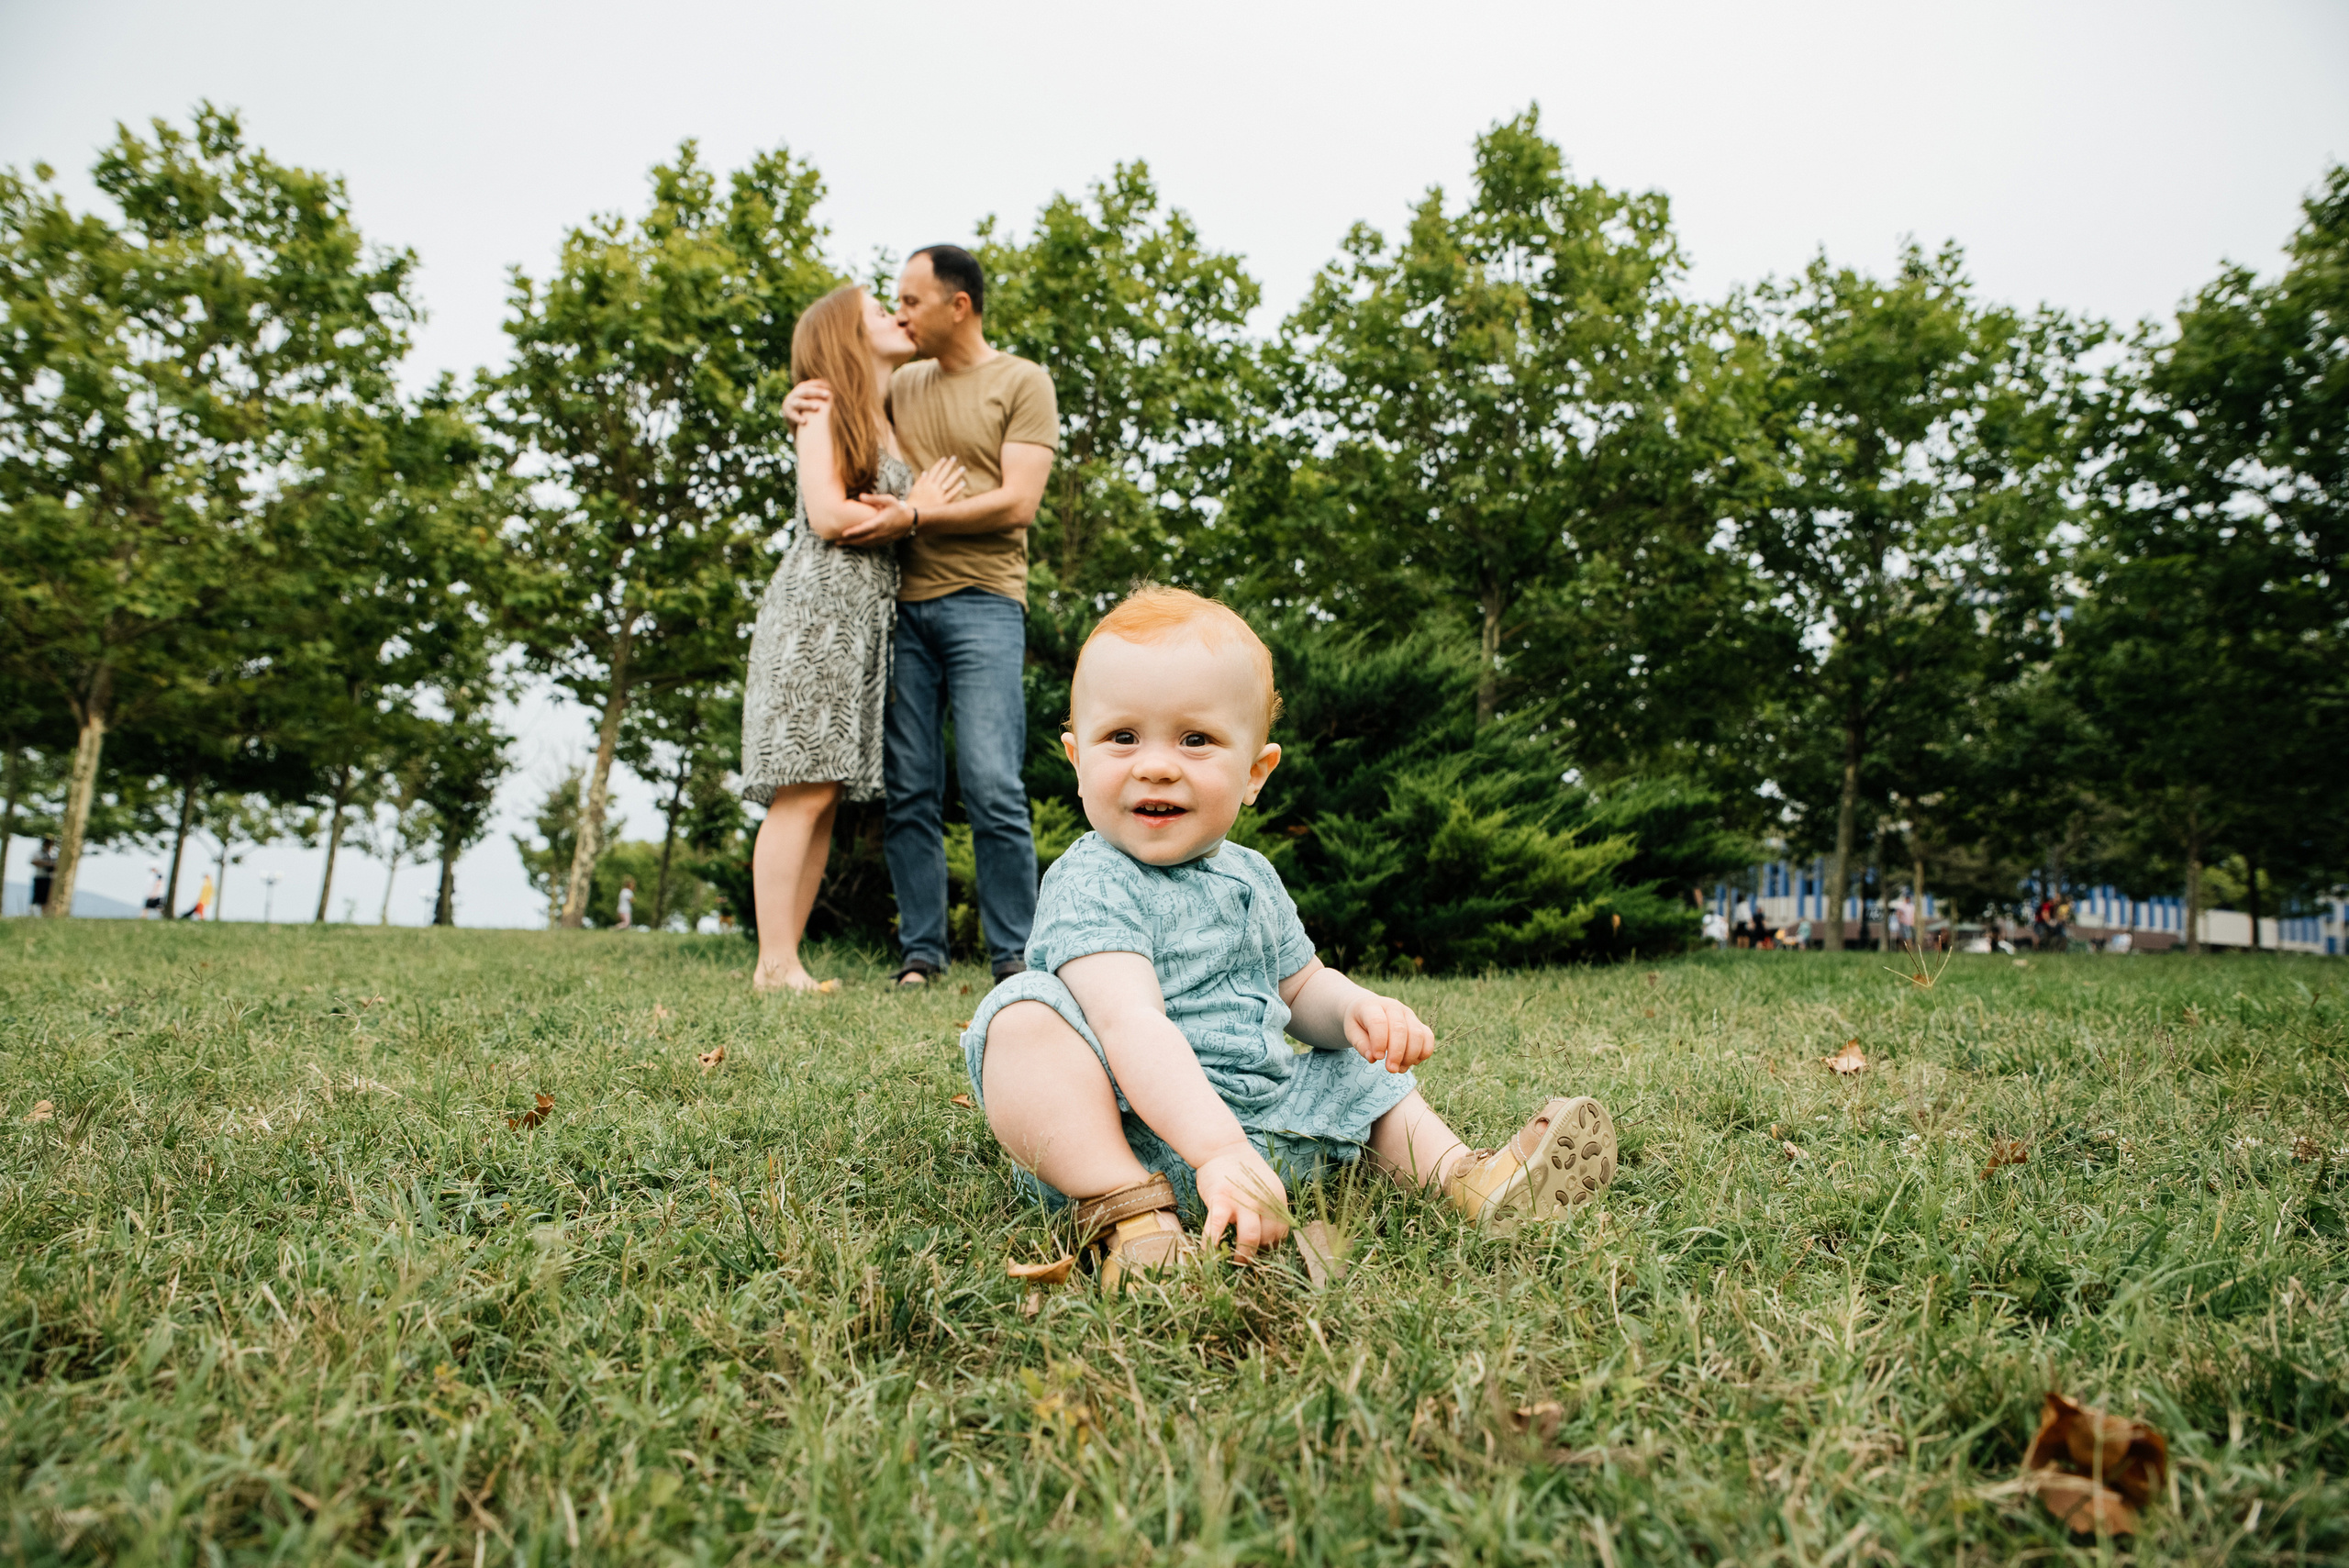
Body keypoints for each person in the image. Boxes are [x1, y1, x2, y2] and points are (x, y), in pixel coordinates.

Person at [961, 586, 1617, 1285]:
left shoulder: (1252, 876)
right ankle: (1136, 1220)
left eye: (1196, 739)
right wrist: (1215, 1150)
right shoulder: (1092, 879)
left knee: (1358, 1069)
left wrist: (1354, 1010)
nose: (1155, 763)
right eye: (1122, 737)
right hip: (1127, 1138)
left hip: (1266, 1126)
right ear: (1076, 759)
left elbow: (1300, 985)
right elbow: (1130, 1023)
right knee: (1022, 1015)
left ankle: (1465, 1178)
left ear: (1254, 773)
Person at [786, 245, 1059, 989]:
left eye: (910, 301)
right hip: (900, 611)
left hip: (987, 604)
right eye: (893, 304)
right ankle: (922, 954)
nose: (900, 314)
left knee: (992, 781)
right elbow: (843, 414)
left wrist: (912, 516)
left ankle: (1015, 957)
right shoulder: (900, 383)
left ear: (958, 305)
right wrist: (796, 403)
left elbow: (1018, 502)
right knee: (909, 788)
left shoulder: (1022, 381)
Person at [744, 284, 969, 994]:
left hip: (862, 619)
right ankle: (773, 964)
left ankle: (786, 963)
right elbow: (829, 514)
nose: (895, 318)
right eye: (879, 311)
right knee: (802, 788)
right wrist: (916, 509)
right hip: (818, 613)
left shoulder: (882, 408)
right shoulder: (826, 407)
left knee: (823, 791)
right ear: (846, 336)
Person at [29, 838, 56, 916]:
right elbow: (33, 861)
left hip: (49, 878)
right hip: (40, 877)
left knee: (46, 898)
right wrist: (46, 863)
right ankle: (32, 913)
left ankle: (44, 914)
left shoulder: (52, 854)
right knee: (37, 897)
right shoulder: (38, 853)